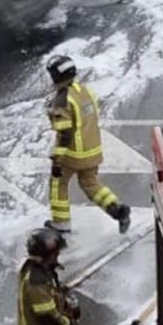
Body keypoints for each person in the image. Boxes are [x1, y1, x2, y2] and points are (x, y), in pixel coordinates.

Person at [45, 55, 131, 234]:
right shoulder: (85, 91)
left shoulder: (62, 100)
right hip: (93, 151)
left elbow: (65, 133)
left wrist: (57, 160)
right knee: (91, 184)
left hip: (73, 155)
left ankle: (61, 223)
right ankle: (118, 210)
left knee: (58, 183)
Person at [17, 228, 79, 325]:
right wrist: (69, 324)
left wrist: (66, 304)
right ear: (45, 255)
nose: (58, 255)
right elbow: (48, 318)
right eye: (55, 253)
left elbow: (51, 294)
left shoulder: (42, 271)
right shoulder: (36, 281)